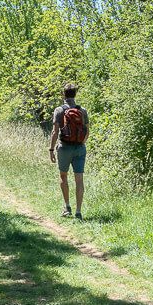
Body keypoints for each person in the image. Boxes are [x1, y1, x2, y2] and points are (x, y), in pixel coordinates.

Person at [48, 83, 89, 219]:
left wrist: (51, 149)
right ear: (75, 94)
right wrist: (80, 143)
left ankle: (67, 207)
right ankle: (78, 212)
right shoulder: (82, 110)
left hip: (64, 148)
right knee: (79, 179)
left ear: (63, 94)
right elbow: (87, 131)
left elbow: (55, 132)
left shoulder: (59, 110)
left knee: (63, 176)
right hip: (80, 148)